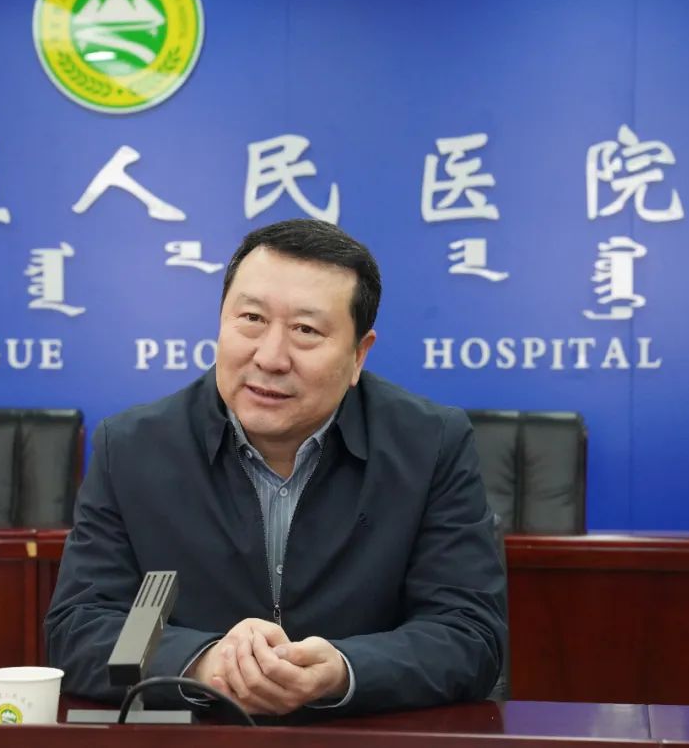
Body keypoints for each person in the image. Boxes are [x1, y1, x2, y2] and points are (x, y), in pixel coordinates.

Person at [46, 218, 506, 717]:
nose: (270, 357)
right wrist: (206, 664)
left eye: (306, 330)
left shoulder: (429, 444)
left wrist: (343, 670)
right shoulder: (133, 448)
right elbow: (80, 628)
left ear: (359, 355)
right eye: (251, 318)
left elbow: (469, 635)